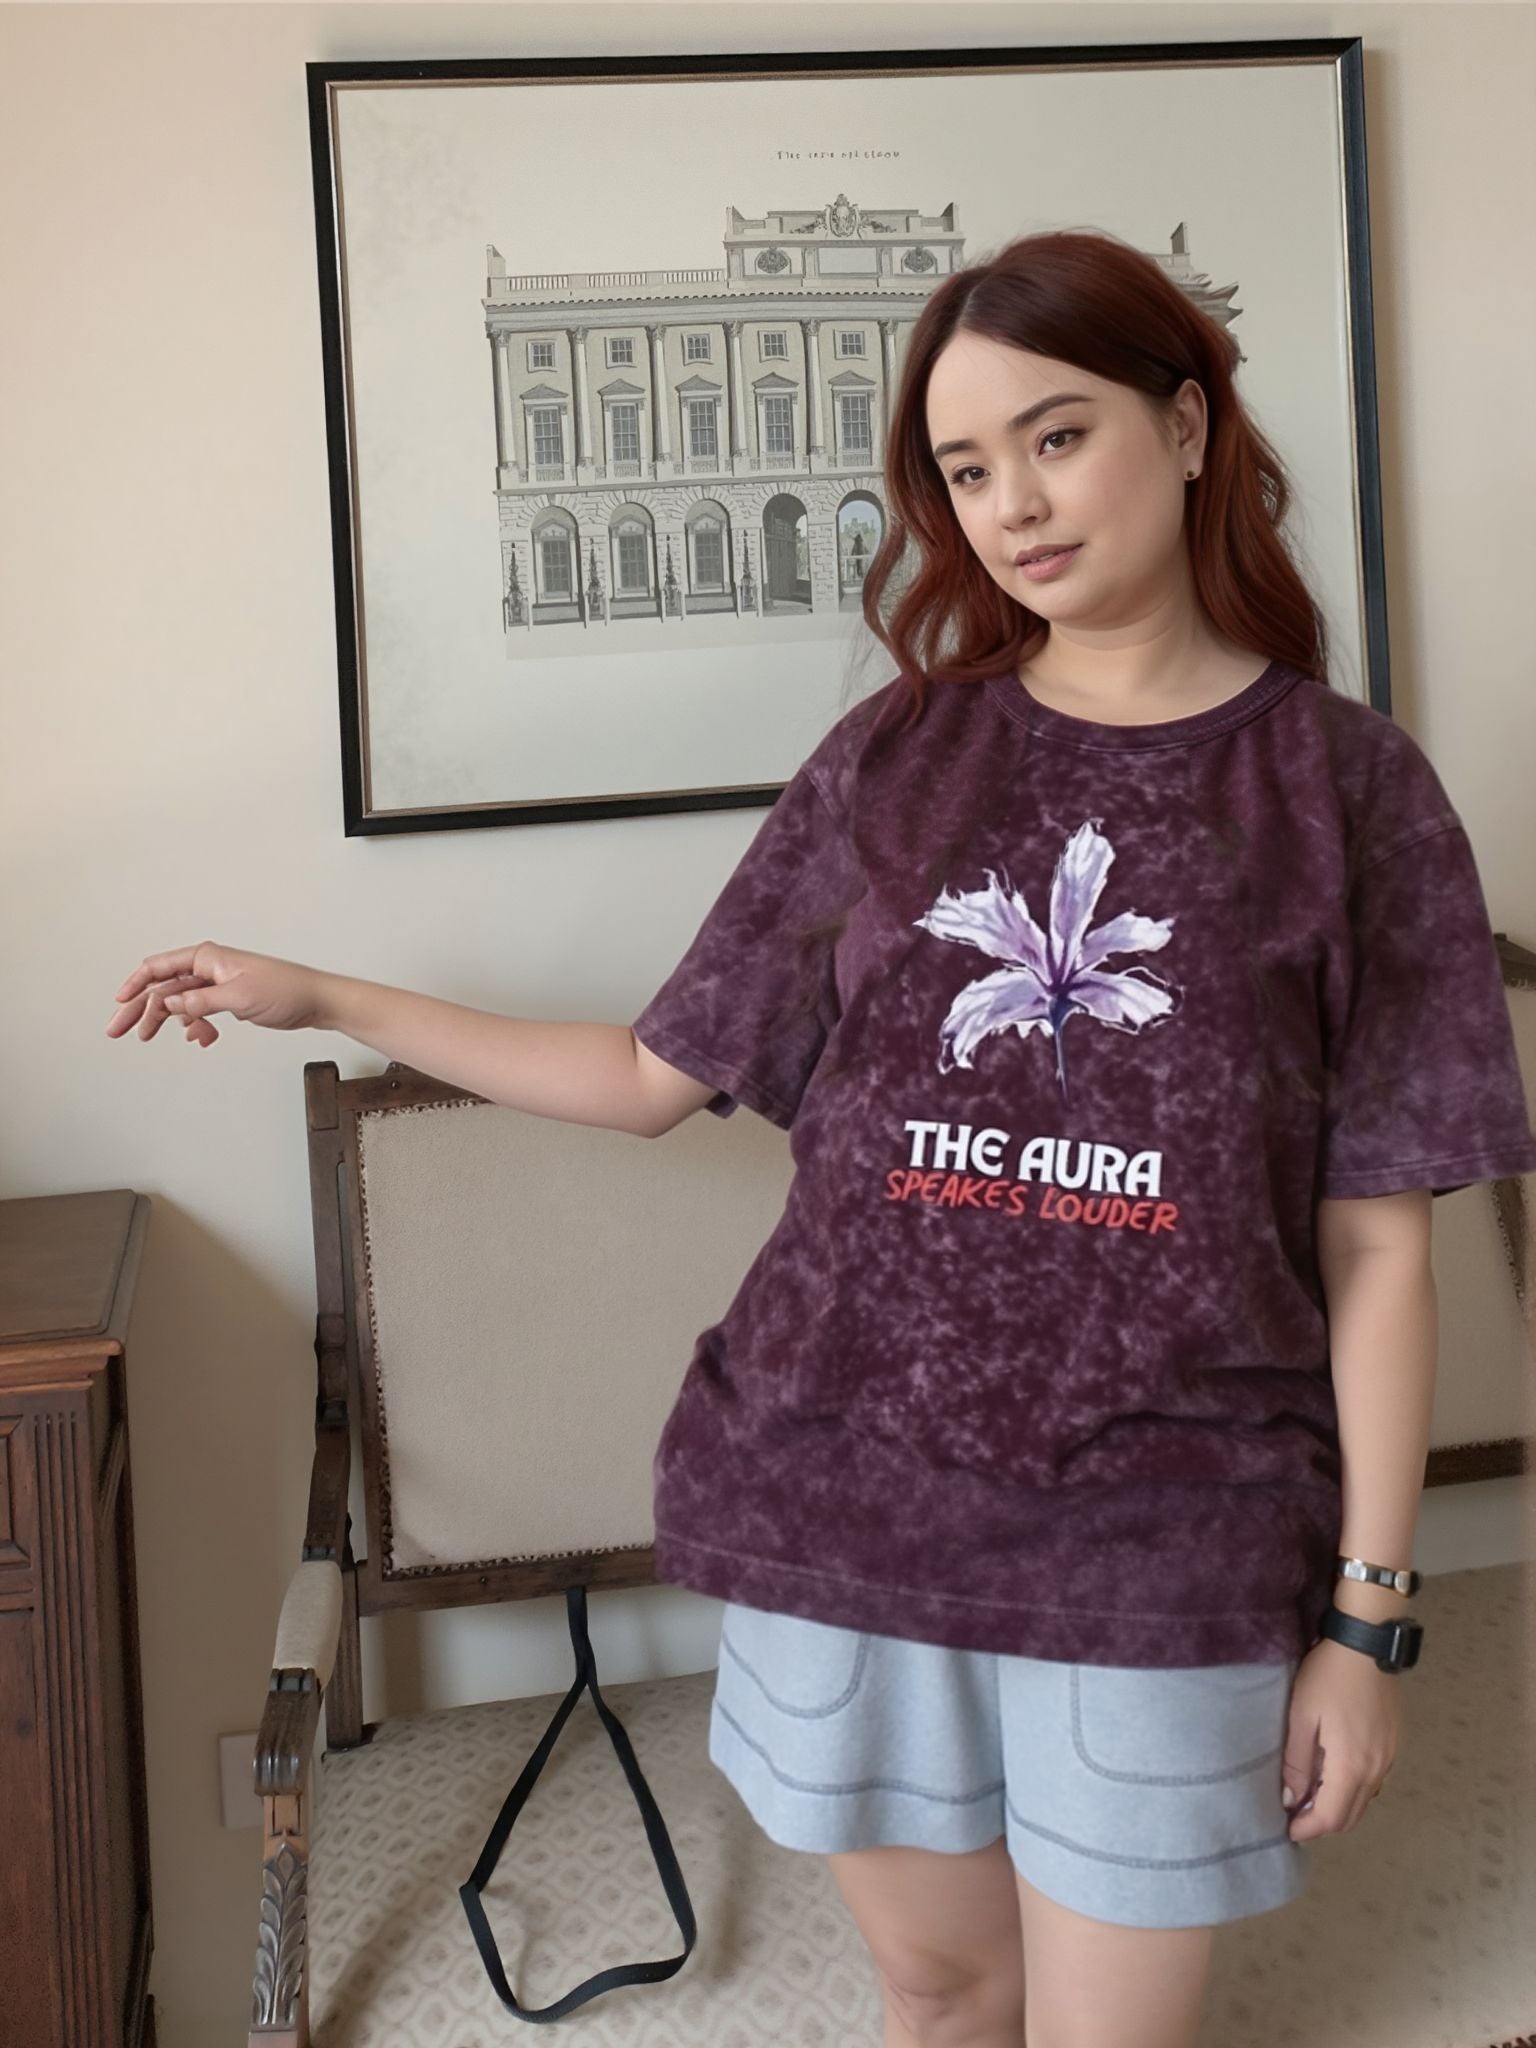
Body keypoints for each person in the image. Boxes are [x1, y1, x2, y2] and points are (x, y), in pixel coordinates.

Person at [106, 228, 1536, 2048]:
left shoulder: (1347, 789)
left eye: (1055, 435)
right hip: (841, 1494)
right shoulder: (901, 759)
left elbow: (1382, 1245)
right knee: (940, 1995)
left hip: (1168, 1531)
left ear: (1189, 428)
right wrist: (329, 996)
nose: (1009, 503)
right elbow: (650, 1074)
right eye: (962, 467)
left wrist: (1371, 1619)